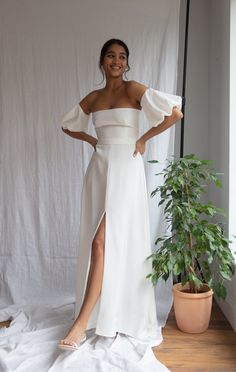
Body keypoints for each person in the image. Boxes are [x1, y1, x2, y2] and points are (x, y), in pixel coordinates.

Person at [58, 38, 183, 351]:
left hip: (126, 169)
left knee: (103, 242)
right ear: (102, 61)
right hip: (100, 169)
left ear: (127, 63)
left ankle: (82, 321)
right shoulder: (95, 97)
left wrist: (143, 139)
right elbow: (66, 125)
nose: (117, 61)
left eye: (122, 57)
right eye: (111, 56)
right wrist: (89, 138)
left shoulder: (134, 89)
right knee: (99, 242)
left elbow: (175, 114)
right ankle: (103, 312)